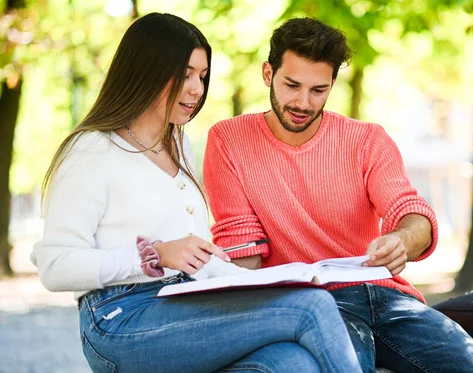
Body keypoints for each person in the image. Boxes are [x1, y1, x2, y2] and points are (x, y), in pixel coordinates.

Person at [31, 13, 362, 373]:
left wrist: (274, 281)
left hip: (182, 302)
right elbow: (54, 266)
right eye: (185, 75)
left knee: (292, 363)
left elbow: (198, 262)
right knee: (310, 307)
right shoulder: (91, 149)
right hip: (118, 319)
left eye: (202, 77)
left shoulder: (178, 145)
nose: (196, 89)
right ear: (145, 70)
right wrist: (154, 255)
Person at [203, 17, 473, 373]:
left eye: (318, 90)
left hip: (390, 300)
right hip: (312, 306)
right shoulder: (228, 140)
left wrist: (400, 240)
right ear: (268, 74)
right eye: (292, 85)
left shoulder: (366, 140)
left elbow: (411, 212)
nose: (302, 102)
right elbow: (243, 257)